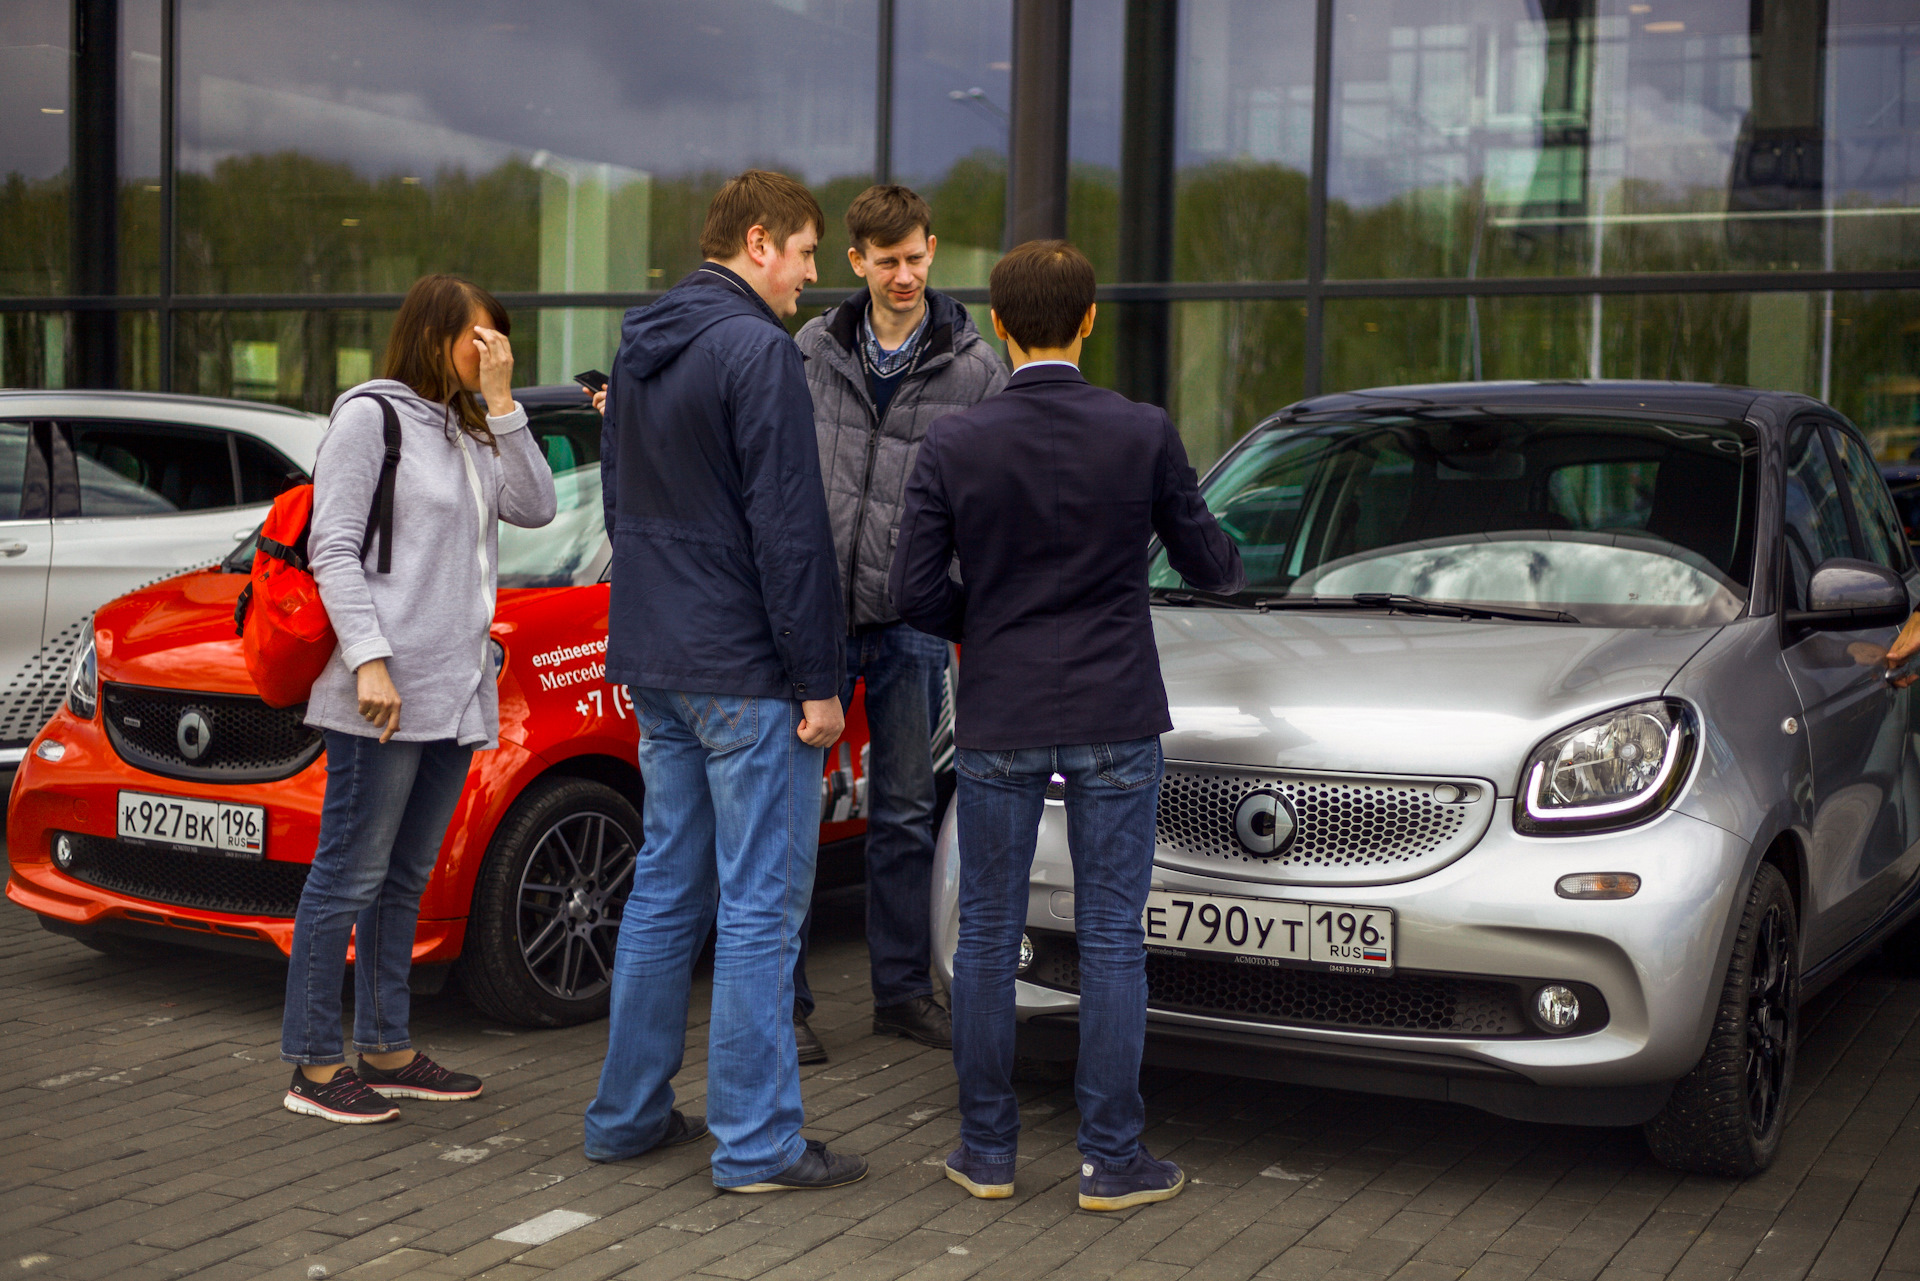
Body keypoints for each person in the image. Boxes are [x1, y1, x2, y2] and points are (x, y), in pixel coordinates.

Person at [889, 241, 1244, 1211]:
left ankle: (989, 1153)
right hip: (1117, 710)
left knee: (989, 936)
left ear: (1000, 326)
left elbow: (912, 594)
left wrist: (993, 624)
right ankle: (1113, 1159)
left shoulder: (955, 443)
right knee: (1114, 939)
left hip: (1003, 713)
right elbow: (1213, 566)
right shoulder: (1141, 431)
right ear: (1089, 320)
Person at [583, 170, 866, 1193]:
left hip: (659, 660)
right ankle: (757, 1146)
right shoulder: (759, 352)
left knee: (665, 890)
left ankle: (625, 1117)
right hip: (744, 673)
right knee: (759, 909)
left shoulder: (642, 350)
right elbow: (791, 536)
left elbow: (620, 512)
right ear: (757, 243)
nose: (810, 276)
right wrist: (819, 683)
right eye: (802, 253)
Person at [282, 274, 557, 1122]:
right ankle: (314, 1066)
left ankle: (388, 1046)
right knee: (347, 875)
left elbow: (540, 507)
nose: (494, 352)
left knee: (405, 876)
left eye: (501, 341)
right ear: (438, 334)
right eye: (482, 338)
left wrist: (505, 403)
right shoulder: (372, 416)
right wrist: (368, 658)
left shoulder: (472, 428)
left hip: (453, 692)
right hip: (384, 695)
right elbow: (331, 548)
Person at [787, 184, 1008, 1063]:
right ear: (856, 263)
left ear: (932, 249)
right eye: (888, 262)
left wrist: (958, 585)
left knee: (908, 810)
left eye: (918, 258)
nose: (907, 275)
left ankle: (904, 991)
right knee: (794, 811)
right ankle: (787, 1004)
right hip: (815, 617)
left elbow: (991, 493)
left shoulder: (974, 365)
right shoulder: (811, 349)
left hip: (914, 615)